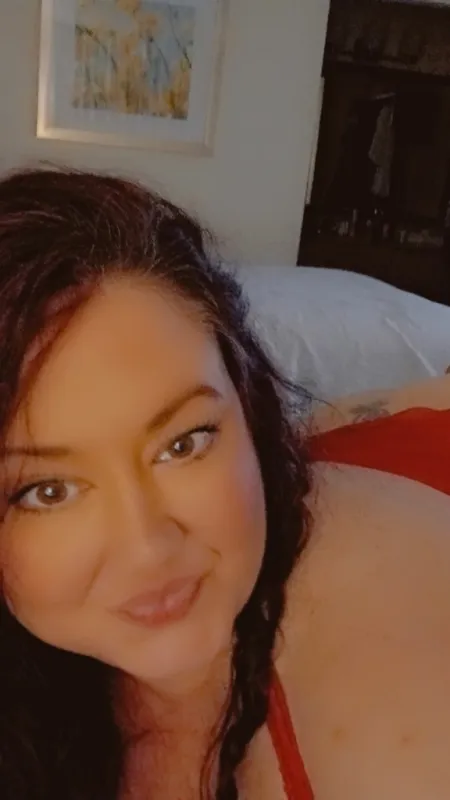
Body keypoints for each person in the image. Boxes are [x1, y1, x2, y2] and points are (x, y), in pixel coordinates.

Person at [0, 168, 449, 800]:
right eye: (49, 491)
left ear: (249, 406)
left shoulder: (391, 714)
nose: (148, 549)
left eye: (183, 443)